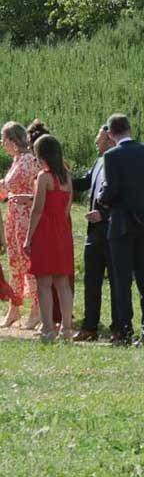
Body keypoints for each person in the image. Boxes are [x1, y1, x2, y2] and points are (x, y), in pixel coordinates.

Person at [97, 114, 144, 346]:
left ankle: (125, 330)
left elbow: (111, 190)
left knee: (122, 279)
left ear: (110, 134)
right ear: (130, 129)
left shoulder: (111, 155)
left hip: (121, 224)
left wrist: (102, 199)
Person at [23, 134, 74, 342]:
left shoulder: (44, 177)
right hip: (62, 230)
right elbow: (67, 208)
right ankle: (67, 329)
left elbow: (37, 210)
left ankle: (48, 329)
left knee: (44, 282)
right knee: (62, 282)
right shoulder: (67, 177)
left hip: (45, 231)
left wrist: (28, 239)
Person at [72, 124, 119, 341]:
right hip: (94, 234)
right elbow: (83, 183)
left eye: (98, 137)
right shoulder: (99, 161)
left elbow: (124, 196)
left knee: (117, 282)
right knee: (91, 281)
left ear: (110, 138)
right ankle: (89, 327)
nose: (95, 141)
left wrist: (104, 215)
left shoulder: (120, 162)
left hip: (114, 231)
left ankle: (118, 327)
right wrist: (58, 175)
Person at [0, 121, 42, 329]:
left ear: (11, 140)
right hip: (13, 215)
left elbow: (40, 188)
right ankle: (14, 307)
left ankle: (36, 309)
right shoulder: (16, 160)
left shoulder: (29, 159)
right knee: (14, 262)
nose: (2, 143)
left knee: (28, 262)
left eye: (3, 139)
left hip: (26, 216)